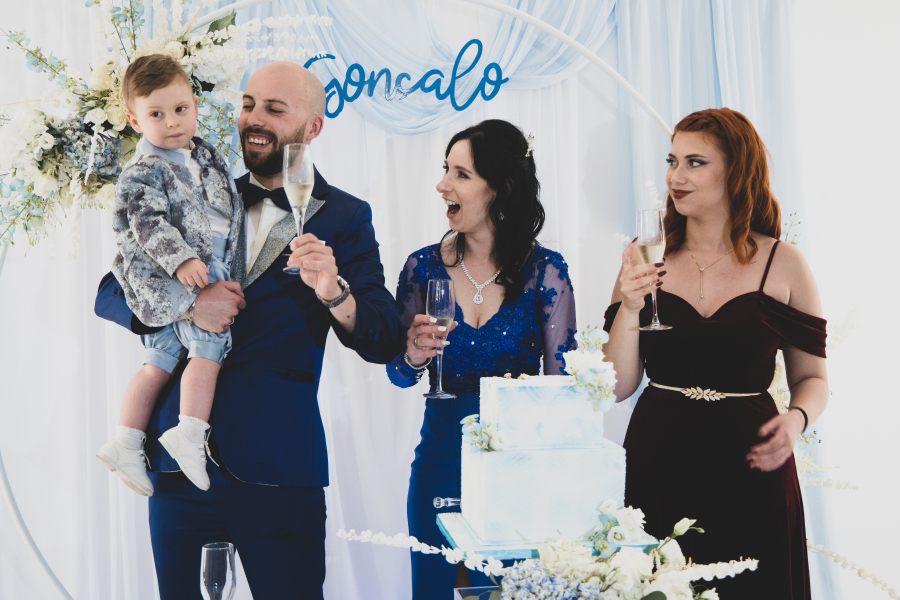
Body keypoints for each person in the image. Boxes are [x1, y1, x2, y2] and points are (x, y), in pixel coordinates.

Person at [94, 61, 403, 599]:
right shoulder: (191, 187)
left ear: (313, 127)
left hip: (280, 466)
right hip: (178, 469)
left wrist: (334, 291)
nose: (254, 119)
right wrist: (189, 306)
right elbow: (109, 292)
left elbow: (383, 337)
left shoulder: (347, 217)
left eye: (274, 109)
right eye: (248, 105)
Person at [603, 108, 827, 599]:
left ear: (736, 171)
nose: (675, 177)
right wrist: (630, 307)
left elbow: (813, 378)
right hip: (658, 462)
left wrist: (796, 421)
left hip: (752, 467)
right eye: (672, 161)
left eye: (695, 162)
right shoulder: (645, 254)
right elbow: (617, 386)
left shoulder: (784, 263)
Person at [386, 119, 577, 599]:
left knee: (500, 594)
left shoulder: (546, 272)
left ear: (501, 187)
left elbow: (563, 393)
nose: (442, 185)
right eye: (444, 169)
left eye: (461, 174)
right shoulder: (422, 266)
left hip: (515, 472)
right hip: (440, 460)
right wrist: (413, 355)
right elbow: (398, 374)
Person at [95, 54, 243, 497]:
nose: (172, 121)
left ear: (195, 104)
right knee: (208, 349)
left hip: (195, 270)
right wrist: (181, 261)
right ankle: (190, 433)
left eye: (180, 109)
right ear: (134, 121)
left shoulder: (202, 155)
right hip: (182, 275)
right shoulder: (144, 168)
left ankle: (126, 442)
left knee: (158, 361)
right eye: (156, 114)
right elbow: (146, 222)